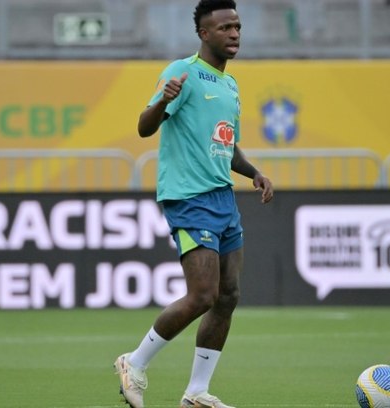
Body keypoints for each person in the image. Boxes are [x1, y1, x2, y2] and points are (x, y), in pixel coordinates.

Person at [114, 1, 273, 408]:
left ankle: (197, 392)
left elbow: (226, 146)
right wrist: (164, 101)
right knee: (202, 294)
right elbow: (145, 127)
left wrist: (253, 172)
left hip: (222, 196)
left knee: (228, 295)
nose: (234, 33)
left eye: (237, 26)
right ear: (204, 34)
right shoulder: (181, 72)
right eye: (224, 27)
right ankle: (134, 362)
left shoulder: (230, 85)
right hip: (188, 196)